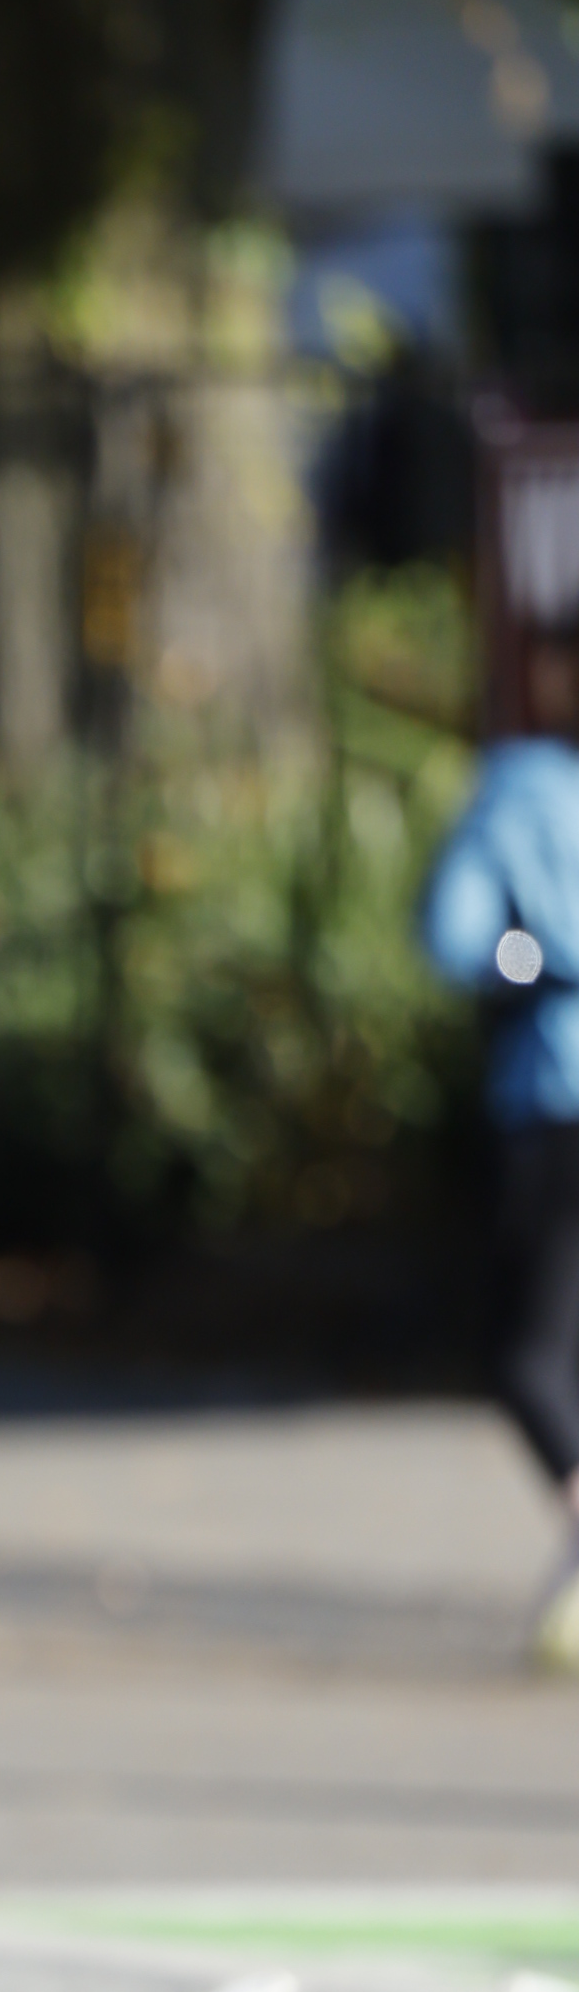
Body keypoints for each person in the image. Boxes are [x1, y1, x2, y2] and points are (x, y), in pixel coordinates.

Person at [420, 631, 579, 1672]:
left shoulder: (522, 790)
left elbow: (453, 936)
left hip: (556, 1090)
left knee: (529, 1356)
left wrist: (530, 961)